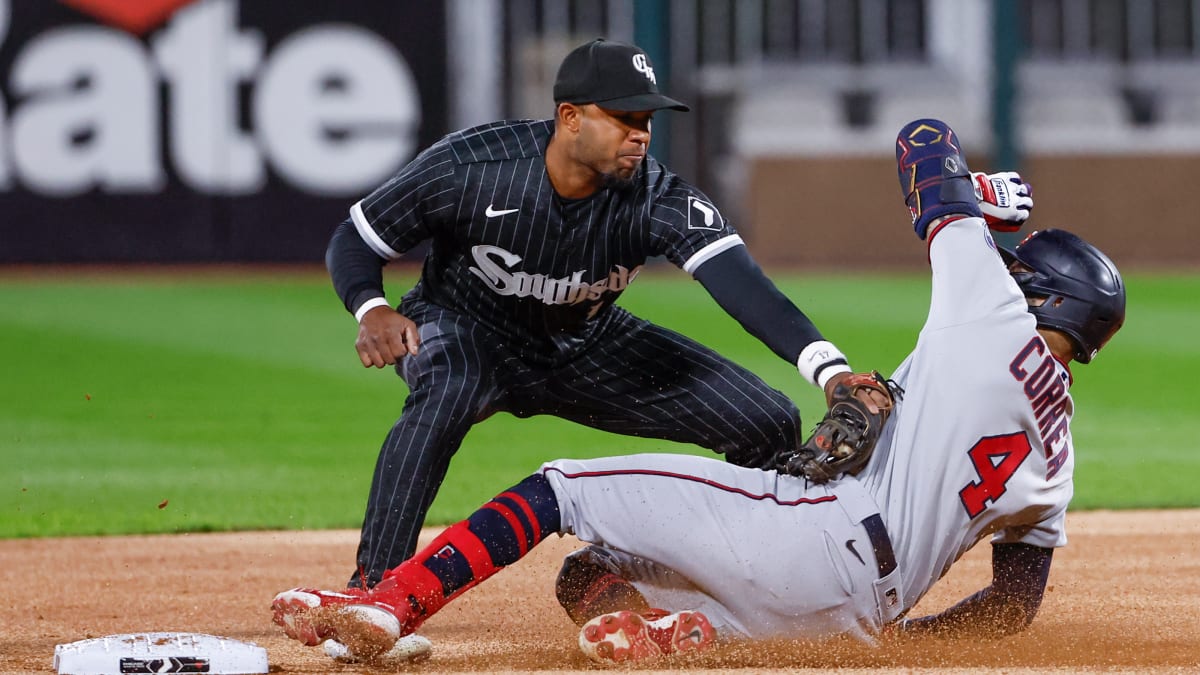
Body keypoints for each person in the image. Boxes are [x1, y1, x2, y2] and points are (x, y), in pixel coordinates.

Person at [272, 117, 1126, 663]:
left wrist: (979, 202)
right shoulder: (1058, 450)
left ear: (1043, 298)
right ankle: (666, 634)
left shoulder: (990, 307)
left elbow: (924, 140)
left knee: (559, 488)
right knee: (590, 574)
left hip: (812, 533)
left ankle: (390, 603)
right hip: (854, 616)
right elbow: (1013, 607)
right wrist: (905, 644)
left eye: (1022, 274)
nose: (1007, 272)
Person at [328, 36, 862, 594]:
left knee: (766, 419)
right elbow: (357, 238)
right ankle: (372, 592)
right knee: (450, 388)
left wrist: (830, 369)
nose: (641, 134)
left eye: (648, 119)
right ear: (570, 117)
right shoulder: (476, 165)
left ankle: (766, 583)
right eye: (624, 117)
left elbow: (743, 286)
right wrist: (373, 308)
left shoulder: (657, 197)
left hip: (583, 340)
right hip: (463, 325)